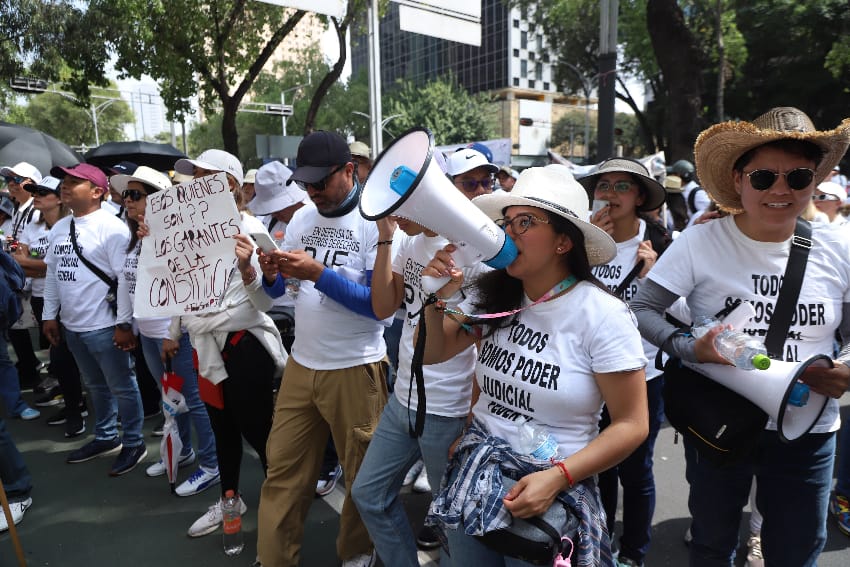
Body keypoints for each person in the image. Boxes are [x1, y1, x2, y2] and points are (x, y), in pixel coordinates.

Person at [631, 106, 850, 566]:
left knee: (797, 551)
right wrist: (691, 348)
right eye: (764, 177)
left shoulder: (837, 247)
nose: (780, 190)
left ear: (814, 181)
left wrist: (847, 367)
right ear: (737, 179)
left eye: (798, 177)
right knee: (713, 544)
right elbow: (644, 308)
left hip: (809, 433)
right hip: (720, 420)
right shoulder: (699, 242)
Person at [420, 166, 649, 566]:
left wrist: (558, 477)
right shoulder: (491, 294)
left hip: (546, 498)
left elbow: (633, 424)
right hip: (476, 478)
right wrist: (434, 300)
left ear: (563, 241)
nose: (508, 234)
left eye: (525, 223)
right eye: (507, 222)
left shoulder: (604, 315)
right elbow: (434, 352)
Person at [256, 130, 390, 567]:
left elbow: (378, 308)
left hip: (356, 366)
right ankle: (275, 557)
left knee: (361, 476)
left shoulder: (378, 222)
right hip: (302, 362)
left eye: (320, 182)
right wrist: (271, 273)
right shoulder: (301, 219)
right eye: (306, 183)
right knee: (283, 471)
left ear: (350, 170)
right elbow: (288, 293)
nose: (311, 191)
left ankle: (357, 551)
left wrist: (317, 273)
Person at [351, 203, 486, 563]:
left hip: (448, 409)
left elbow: (478, 342)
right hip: (403, 398)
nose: (394, 214)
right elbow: (382, 307)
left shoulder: (471, 252)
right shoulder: (407, 243)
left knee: (452, 521)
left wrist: (472, 417)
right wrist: (384, 240)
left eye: (404, 205)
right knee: (368, 494)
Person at [169, 149, 286, 536]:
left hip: (245, 347)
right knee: (222, 432)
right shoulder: (183, 231)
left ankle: (280, 511)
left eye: (204, 176)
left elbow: (268, 301)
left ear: (231, 185)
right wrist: (158, 248)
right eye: (194, 177)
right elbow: (178, 292)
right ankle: (230, 501)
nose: (195, 185)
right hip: (205, 347)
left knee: (259, 433)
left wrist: (249, 270)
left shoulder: (253, 230)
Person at [579, 158, 668, 567]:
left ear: (639, 196)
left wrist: (650, 277)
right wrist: (587, 252)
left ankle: (634, 551)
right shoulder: (587, 236)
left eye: (621, 187)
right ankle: (602, 541)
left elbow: (685, 313)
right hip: (592, 371)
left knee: (636, 468)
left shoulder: (664, 241)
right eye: (604, 185)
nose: (610, 194)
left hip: (643, 372)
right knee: (602, 466)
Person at [111, 166, 221, 497]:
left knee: (195, 399)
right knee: (170, 398)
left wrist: (174, 332)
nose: (127, 200)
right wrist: (124, 323)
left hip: (177, 334)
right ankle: (183, 449)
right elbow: (125, 284)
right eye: (125, 194)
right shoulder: (134, 238)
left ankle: (212, 463)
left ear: (158, 200)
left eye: (135, 194)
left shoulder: (177, 236)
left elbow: (187, 288)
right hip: (147, 333)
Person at [43, 163, 147, 476]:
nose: (65, 185)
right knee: (95, 386)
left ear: (97, 192)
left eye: (75, 182)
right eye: (65, 180)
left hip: (105, 326)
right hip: (73, 326)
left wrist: (124, 324)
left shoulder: (111, 228)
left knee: (122, 387)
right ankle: (105, 436)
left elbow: (125, 279)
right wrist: (50, 315)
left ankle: (133, 441)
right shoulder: (61, 227)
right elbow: (52, 274)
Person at [14, 176, 86, 436]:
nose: (36, 195)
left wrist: (35, 265)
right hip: (43, 298)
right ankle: (73, 404)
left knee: (74, 359)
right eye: (34, 191)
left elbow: (47, 266)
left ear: (59, 197)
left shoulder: (73, 225)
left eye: (43, 192)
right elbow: (17, 258)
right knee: (58, 357)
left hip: (74, 299)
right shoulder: (32, 225)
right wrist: (37, 265)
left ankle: (80, 406)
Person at [246, 160, 303, 354]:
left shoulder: (313, 218)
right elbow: (275, 287)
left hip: (302, 313)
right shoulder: (268, 221)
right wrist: (269, 272)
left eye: (278, 206)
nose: (276, 212)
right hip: (273, 308)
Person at [0, 162, 44, 391]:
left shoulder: (36, 211)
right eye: (9, 179)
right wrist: (14, 248)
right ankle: (29, 366)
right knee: (16, 328)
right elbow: (16, 243)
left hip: (36, 280)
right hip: (21, 279)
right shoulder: (19, 211)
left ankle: (33, 370)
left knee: (31, 330)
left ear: (31, 184)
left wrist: (24, 254)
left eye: (17, 180)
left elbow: (40, 248)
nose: (11, 184)